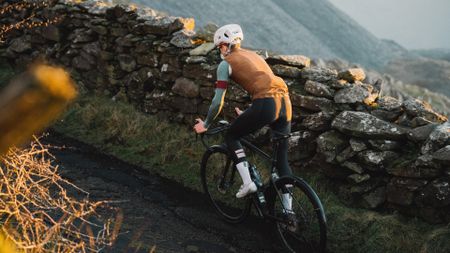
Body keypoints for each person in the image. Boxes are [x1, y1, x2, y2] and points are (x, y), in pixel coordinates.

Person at [193, 24, 293, 205]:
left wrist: (206, 124)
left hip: (266, 105)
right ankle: (289, 213)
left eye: (221, 46)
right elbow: (265, 85)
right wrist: (250, 112)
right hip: (285, 103)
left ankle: (248, 183)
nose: (220, 50)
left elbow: (217, 101)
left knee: (231, 135)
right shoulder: (255, 56)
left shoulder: (226, 64)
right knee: (281, 160)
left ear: (228, 44)